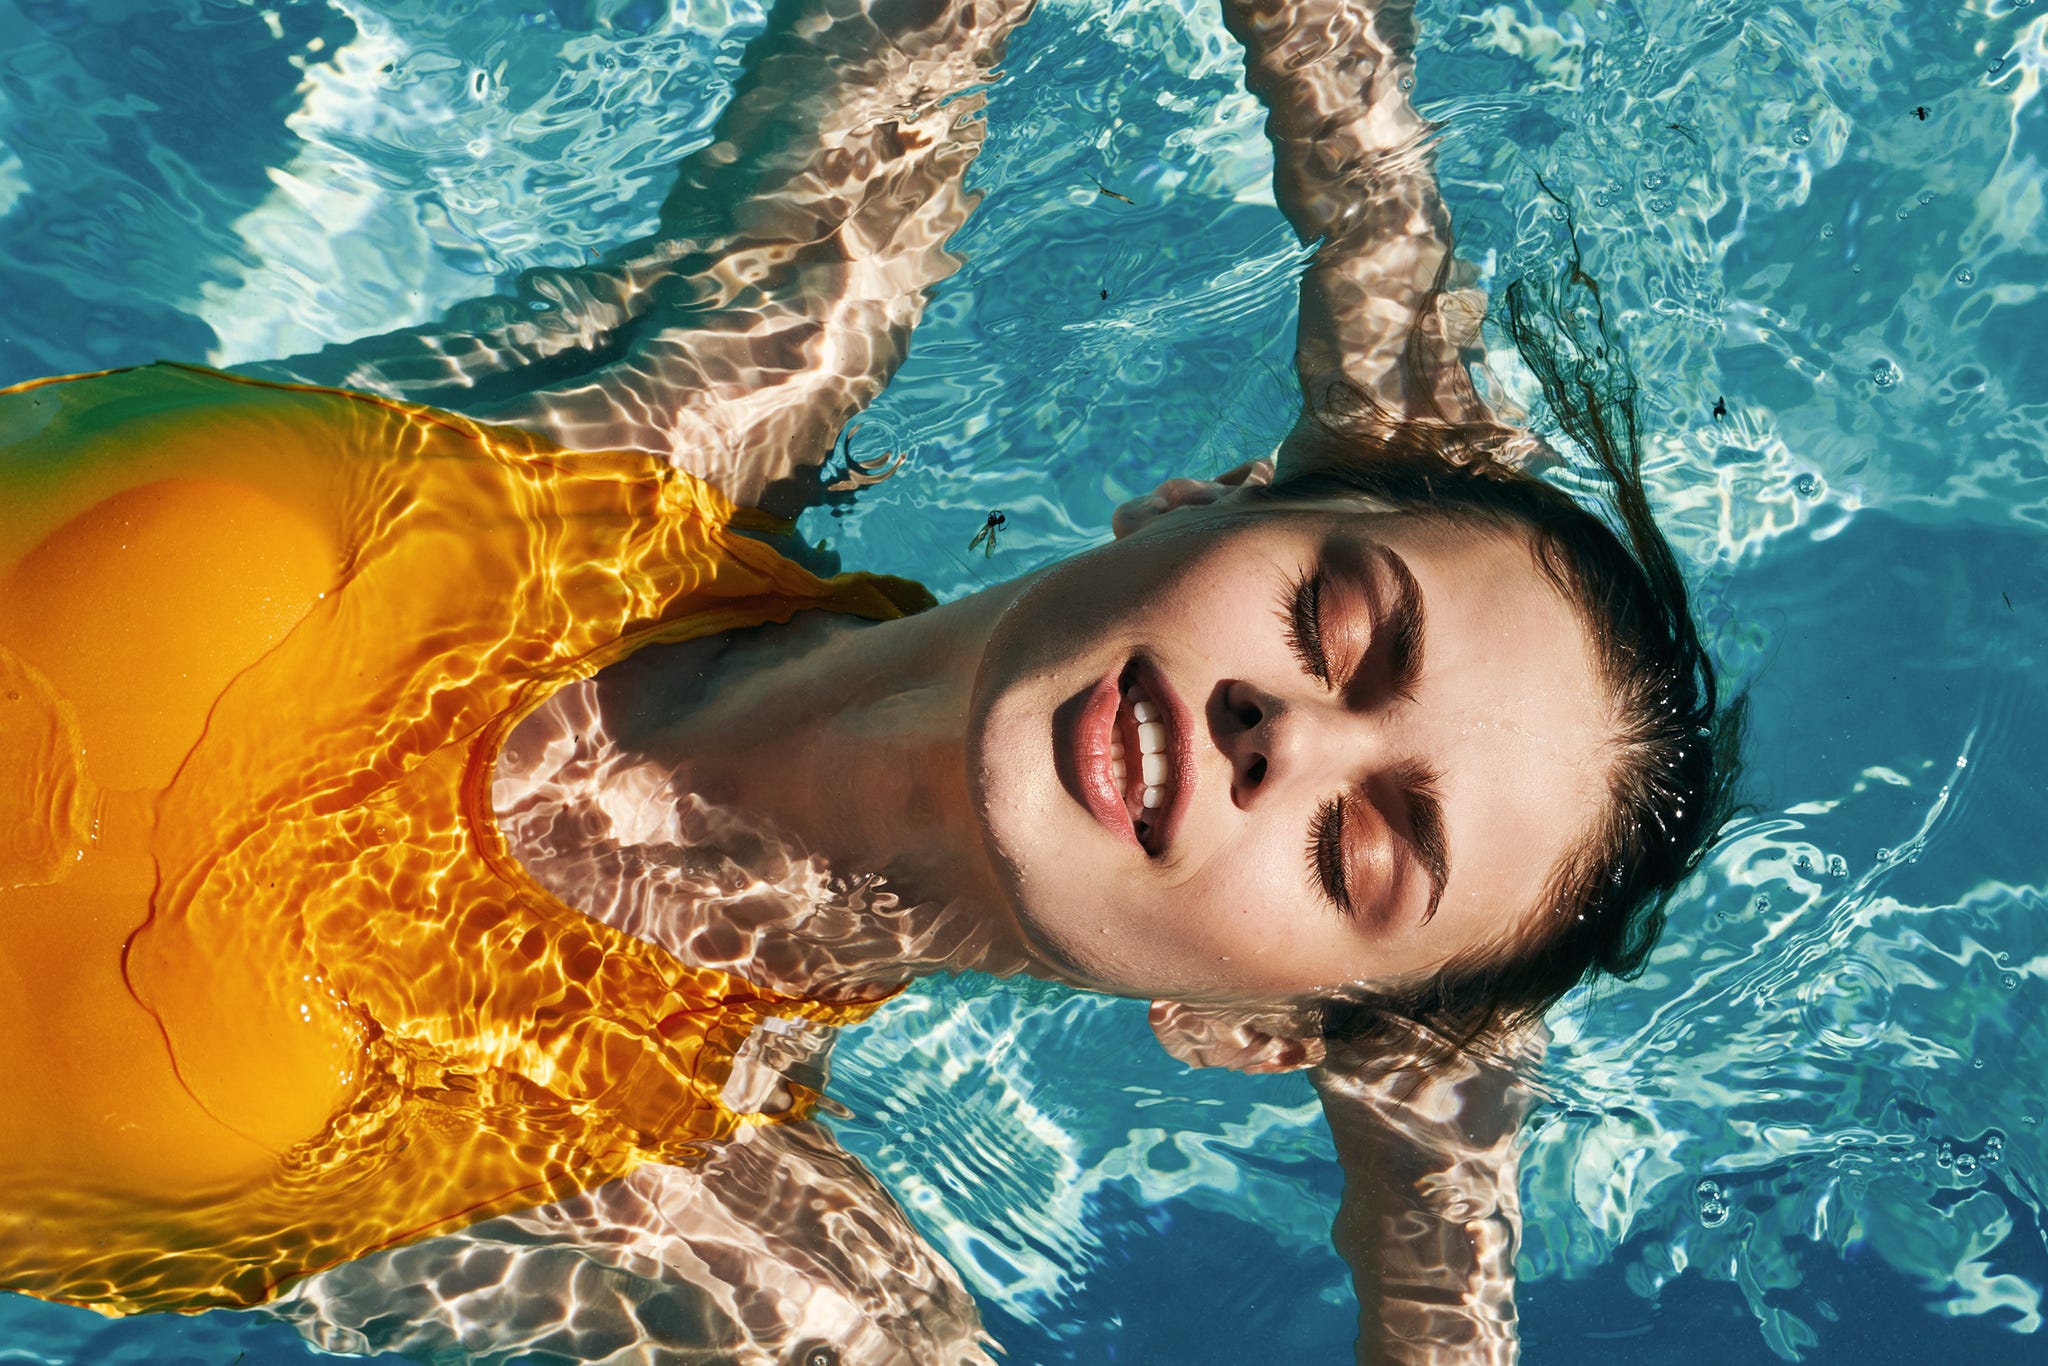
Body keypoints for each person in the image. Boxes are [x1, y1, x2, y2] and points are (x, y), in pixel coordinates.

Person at [0, 0, 1739, 1361]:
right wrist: (1367, 174)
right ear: (1200, 503)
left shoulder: (738, 1246)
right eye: (1347, 633)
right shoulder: (697, 390)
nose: (1284, 736)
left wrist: (1441, 1211)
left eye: (1359, 854)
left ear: (1249, 1034)